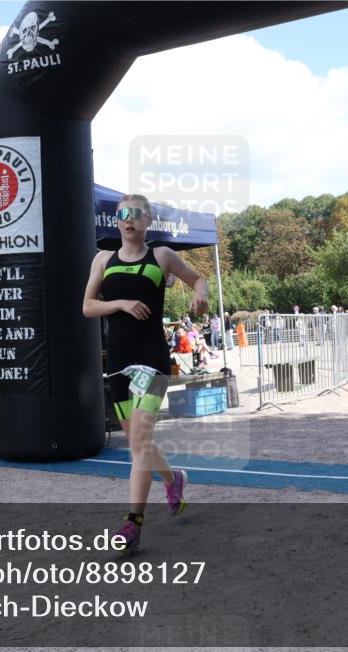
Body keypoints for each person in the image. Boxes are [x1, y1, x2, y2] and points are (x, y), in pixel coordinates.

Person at [82, 193, 208, 555]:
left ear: (148, 220)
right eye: (123, 214)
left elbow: (198, 280)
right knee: (140, 443)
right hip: (119, 362)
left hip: (151, 358)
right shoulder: (102, 259)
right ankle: (174, 479)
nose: (129, 219)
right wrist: (119, 303)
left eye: (137, 214)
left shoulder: (162, 255)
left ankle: (132, 525)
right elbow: (87, 306)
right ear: (117, 221)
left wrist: (200, 294)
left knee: (138, 442)